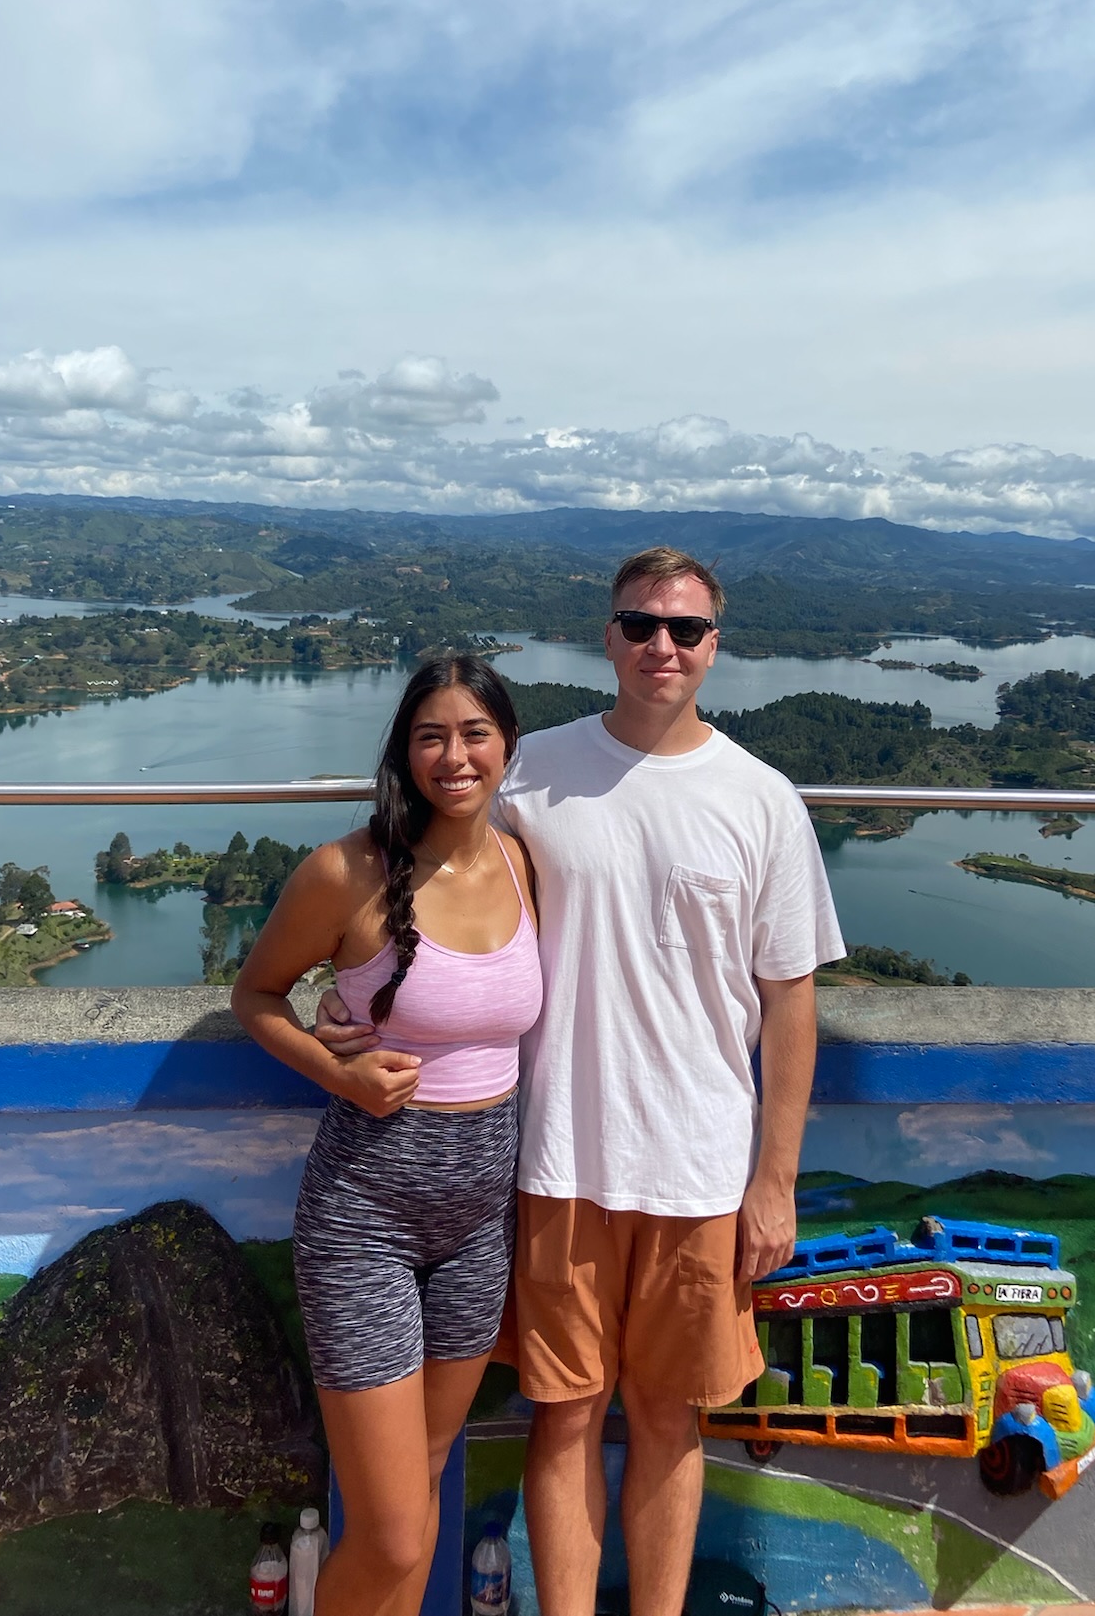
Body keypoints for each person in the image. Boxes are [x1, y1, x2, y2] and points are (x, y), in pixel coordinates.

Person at [317, 548, 845, 1616]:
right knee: (562, 1414)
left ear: (713, 646)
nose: (661, 646)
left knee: (668, 1418)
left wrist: (774, 1179)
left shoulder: (761, 800)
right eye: (640, 624)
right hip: (557, 1157)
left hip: (700, 1169)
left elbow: (790, 1000)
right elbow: (429, 876)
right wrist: (353, 994)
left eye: (684, 629)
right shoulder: (533, 773)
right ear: (608, 637)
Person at [231, 654, 542, 1616]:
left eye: (475, 733)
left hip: (477, 1227)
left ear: (507, 745)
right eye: (429, 736)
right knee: (396, 1531)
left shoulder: (523, 862)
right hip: (366, 1219)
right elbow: (256, 995)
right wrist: (340, 1072)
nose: (454, 756)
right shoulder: (346, 870)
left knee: (428, 1479)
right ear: (403, 752)